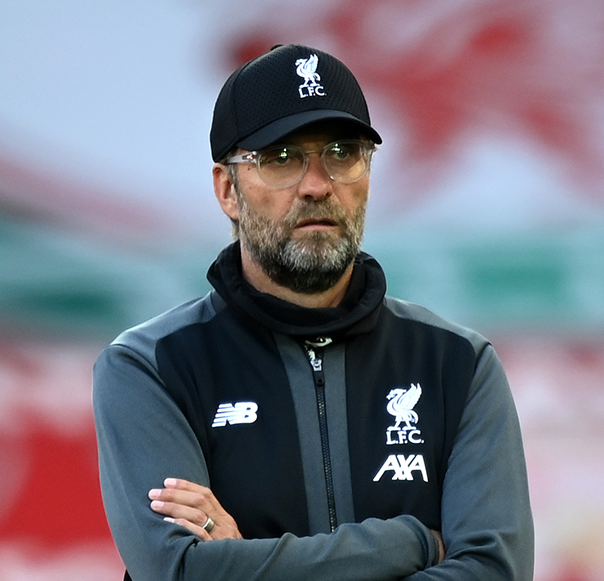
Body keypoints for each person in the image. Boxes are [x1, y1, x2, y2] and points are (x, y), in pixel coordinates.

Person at [93, 43, 533, 580]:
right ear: (227, 189)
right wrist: (410, 541)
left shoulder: (458, 364)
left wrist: (245, 564)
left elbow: (494, 572)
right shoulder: (151, 366)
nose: (318, 185)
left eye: (342, 153)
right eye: (281, 158)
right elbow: (183, 571)